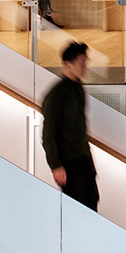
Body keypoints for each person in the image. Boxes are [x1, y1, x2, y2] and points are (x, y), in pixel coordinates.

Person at [41, 41, 98, 211]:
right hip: (70, 162)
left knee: (91, 201)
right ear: (67, 64)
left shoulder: (78, 88)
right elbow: (48, 134)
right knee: (76, 207)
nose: (85, 66)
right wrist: (56, 165)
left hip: (83, 159)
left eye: (85, 62)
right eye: (81, 62)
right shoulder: (57, 94)